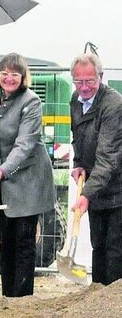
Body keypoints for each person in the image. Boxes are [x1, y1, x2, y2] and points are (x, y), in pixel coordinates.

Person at [0, 53, 55, 297]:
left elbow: (24, 144)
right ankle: (7, 298)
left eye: (14, 74)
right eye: (4, 73)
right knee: (6, 241)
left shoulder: (31, 101)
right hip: (4, 179)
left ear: (23, 77)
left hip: (29, 180)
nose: (8, 78)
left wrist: (1, 172)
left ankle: (22, 301)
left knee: (24, 242)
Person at [70, 53, 122, 286]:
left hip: (118, 188)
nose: (84, 87)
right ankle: (98, 299)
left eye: (90, 80)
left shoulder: (113, 105)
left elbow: (108, 158)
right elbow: (77, 138)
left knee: (115, 250)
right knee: (98, 246)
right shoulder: (75, 100)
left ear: (100, 77)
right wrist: (78, 163)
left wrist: (85, 195)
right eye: (79, 81)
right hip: (96, 188)